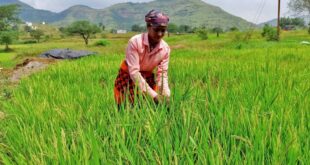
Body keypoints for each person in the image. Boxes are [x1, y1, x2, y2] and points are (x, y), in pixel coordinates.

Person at [114, 9, 171, 108]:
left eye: (163, 30)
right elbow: (134, 72)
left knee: (145, 106)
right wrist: (154, 95)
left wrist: (165, 94)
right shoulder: (135, 42)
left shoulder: (165, 49)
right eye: (156, 29)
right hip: (128, 76)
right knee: (124, 106)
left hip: (147, 77)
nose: (160, 34)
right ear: (148, 27)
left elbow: (162, 74)